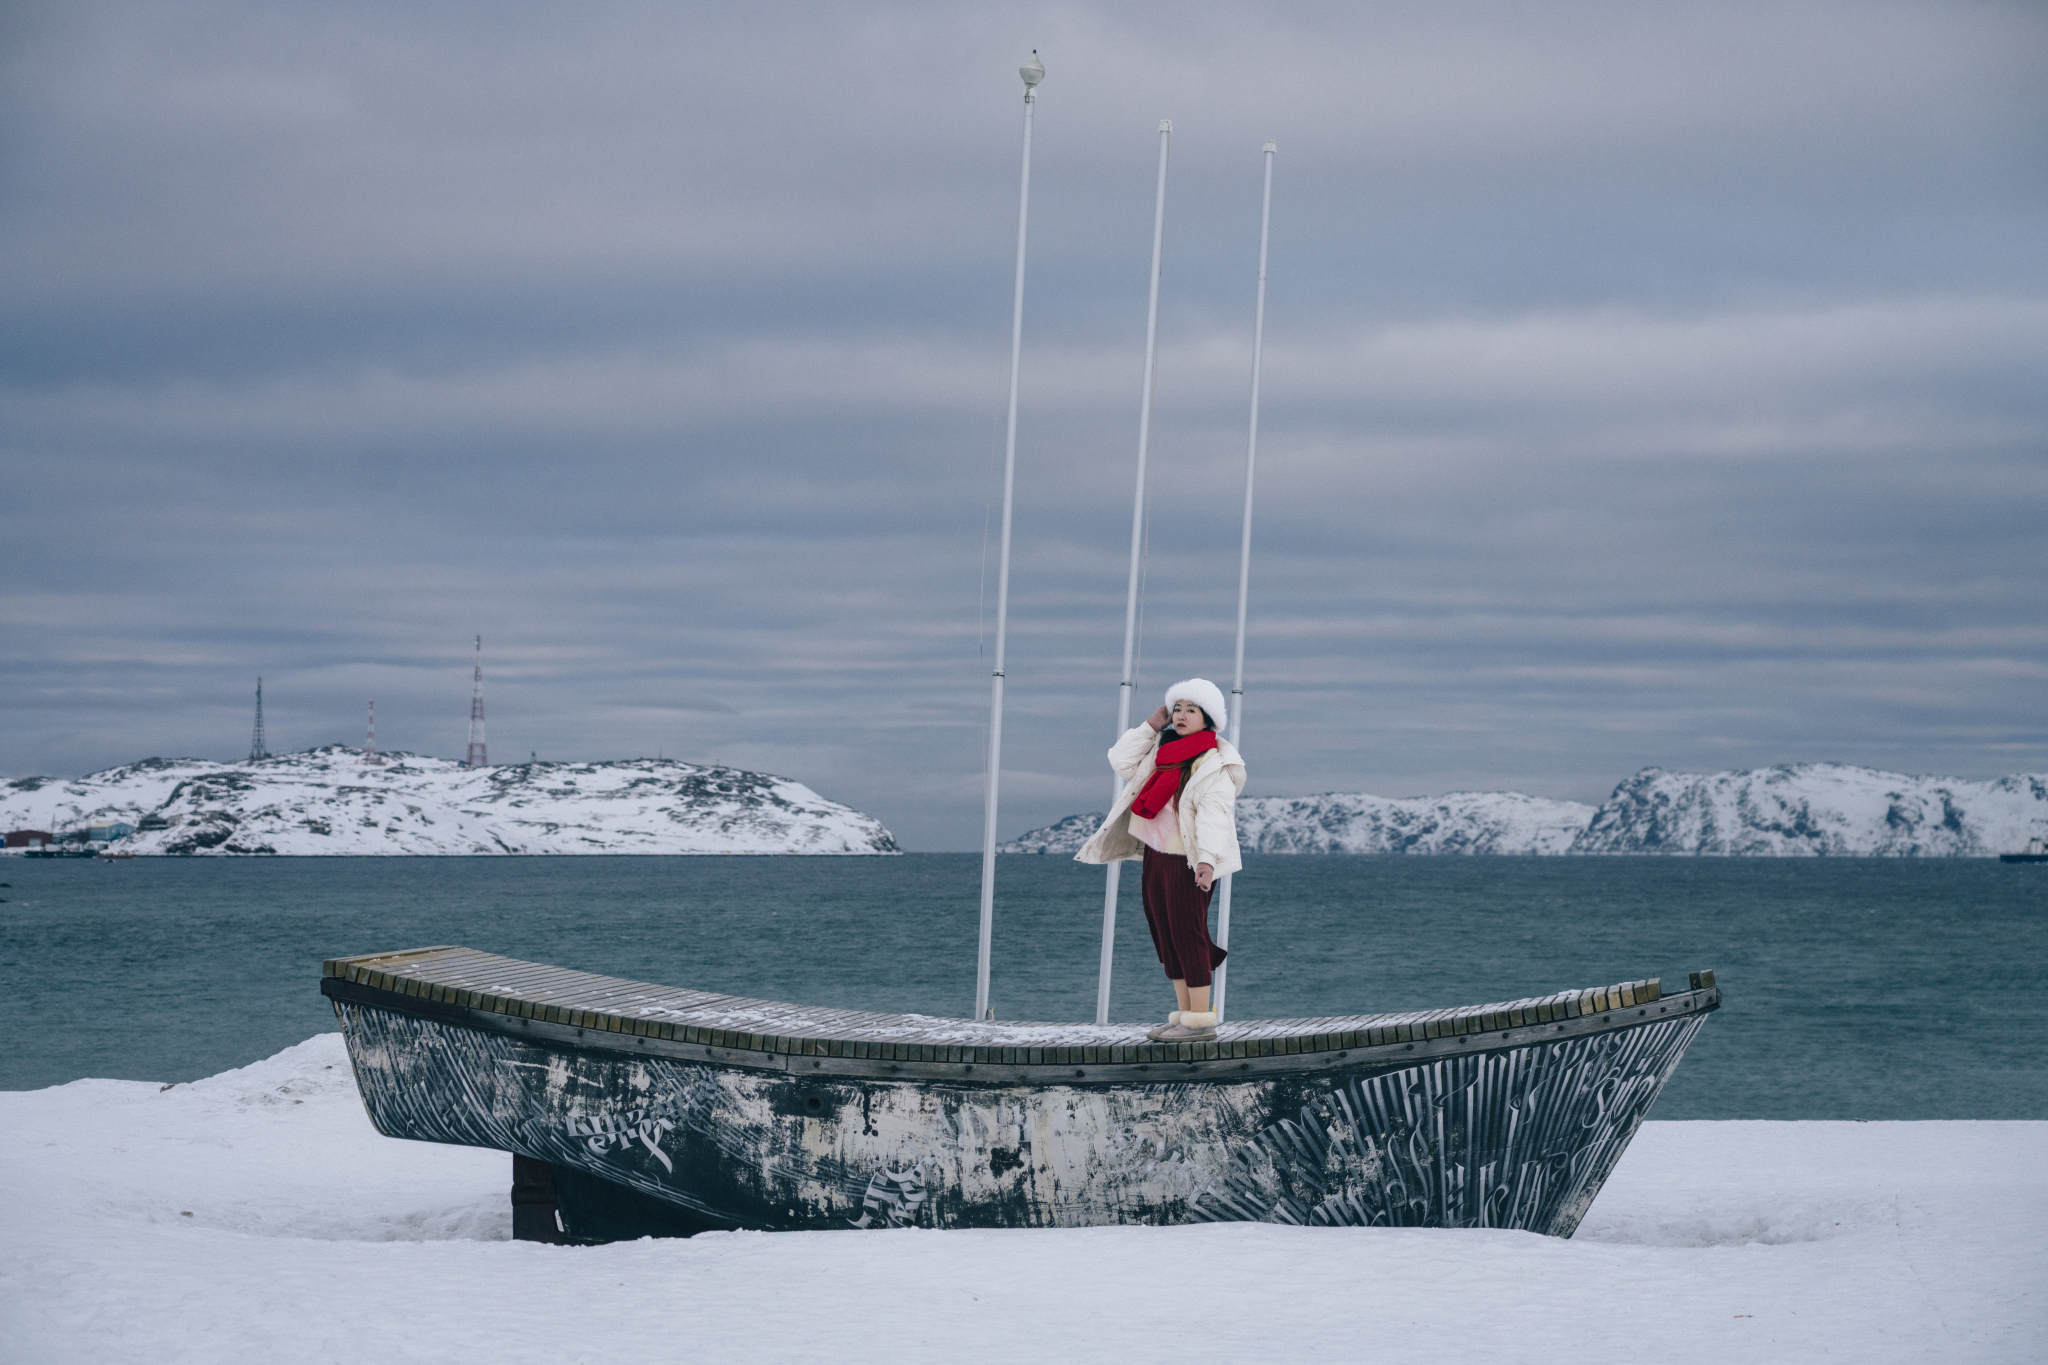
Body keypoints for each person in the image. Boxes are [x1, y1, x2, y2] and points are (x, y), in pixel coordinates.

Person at [1075, 678, 1245, 1043]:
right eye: (1177, 709)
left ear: (1209, 719)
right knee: (1166, 936)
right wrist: (1152, 725)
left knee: (1189, 935)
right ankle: (1185, 1016)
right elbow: (1119, 760)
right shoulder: (1162, 750)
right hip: (1155, 855)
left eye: (1191, 710)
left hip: (1190, 861)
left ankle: (1200, 1021)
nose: (1181, 716)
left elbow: (1215, 816)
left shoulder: (1214, 763)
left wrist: (1208, 862)